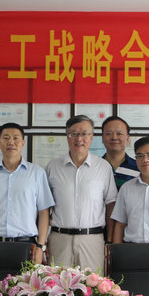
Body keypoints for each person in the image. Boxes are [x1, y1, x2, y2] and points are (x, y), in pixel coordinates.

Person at [0, 123, 54, 263]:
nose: (11, 142)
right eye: (6, 138)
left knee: (25, 279)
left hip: (26, 245)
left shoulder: (37, 173)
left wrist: (41, 246)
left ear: (23, 143)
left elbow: (44, 211)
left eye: (16, 138)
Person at [46, 115, 117, 271]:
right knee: (55, 284)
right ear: (67, 136)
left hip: (92, 240)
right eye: (74, 134)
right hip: (59, 239)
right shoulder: (53, 167)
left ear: (91, 137)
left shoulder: (103, 167)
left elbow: (110, 204)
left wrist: (110, 240)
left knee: (93, 285)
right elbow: (45, 207)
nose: (79, 139)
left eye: (84, 134)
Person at [101, 116, 139, 189]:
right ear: (102, 138)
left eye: (119, 133)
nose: (114, 137)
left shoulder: (139, 167)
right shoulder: (94, 167)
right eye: (109, 133)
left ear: (128, 139)